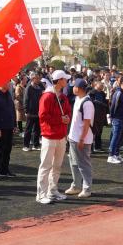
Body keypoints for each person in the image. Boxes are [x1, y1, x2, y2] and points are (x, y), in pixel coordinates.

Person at [35, 70, 71, 205]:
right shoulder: (47, 96)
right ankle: (41, 194)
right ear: (60, 80)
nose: (67, 81)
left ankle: (52, 190)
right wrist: (61, 119)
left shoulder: (63, 97)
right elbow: (43, 116)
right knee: (46, 166)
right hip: (49, 136)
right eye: (65, 79)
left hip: (61, 136)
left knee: (57, 166)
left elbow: (68, 111)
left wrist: (67, 118)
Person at [63, 78, 94, 198]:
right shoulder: (77, 99)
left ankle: (87, 188)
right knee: (74, 163)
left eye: (74, 86)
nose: (72, 88)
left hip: (82, 139)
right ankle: (76, 185)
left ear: (80, 88)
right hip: (73, 137)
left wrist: (81, 139)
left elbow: (86, 123)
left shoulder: (87, 103)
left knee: (83, 164)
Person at [0, 81, 17, 180]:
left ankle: (4, 170)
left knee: (7, 150)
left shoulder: (8, 95)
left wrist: (14, 124)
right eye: (6, 82)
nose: (8, 84)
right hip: (0, 127)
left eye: (9, 82)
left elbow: (12, 110)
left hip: (9, 126)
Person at [22, 72, 44, 151]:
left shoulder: (39, 88)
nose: (38, 80)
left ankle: (36, 144)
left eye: (38, 78)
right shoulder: (29, 88)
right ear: (32, 79)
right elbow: (26, 100)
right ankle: (26, 145)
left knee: (37, 130)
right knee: (28, 129)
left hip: (38, 112)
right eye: (36, 78)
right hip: (30, 112)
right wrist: (26, 110)